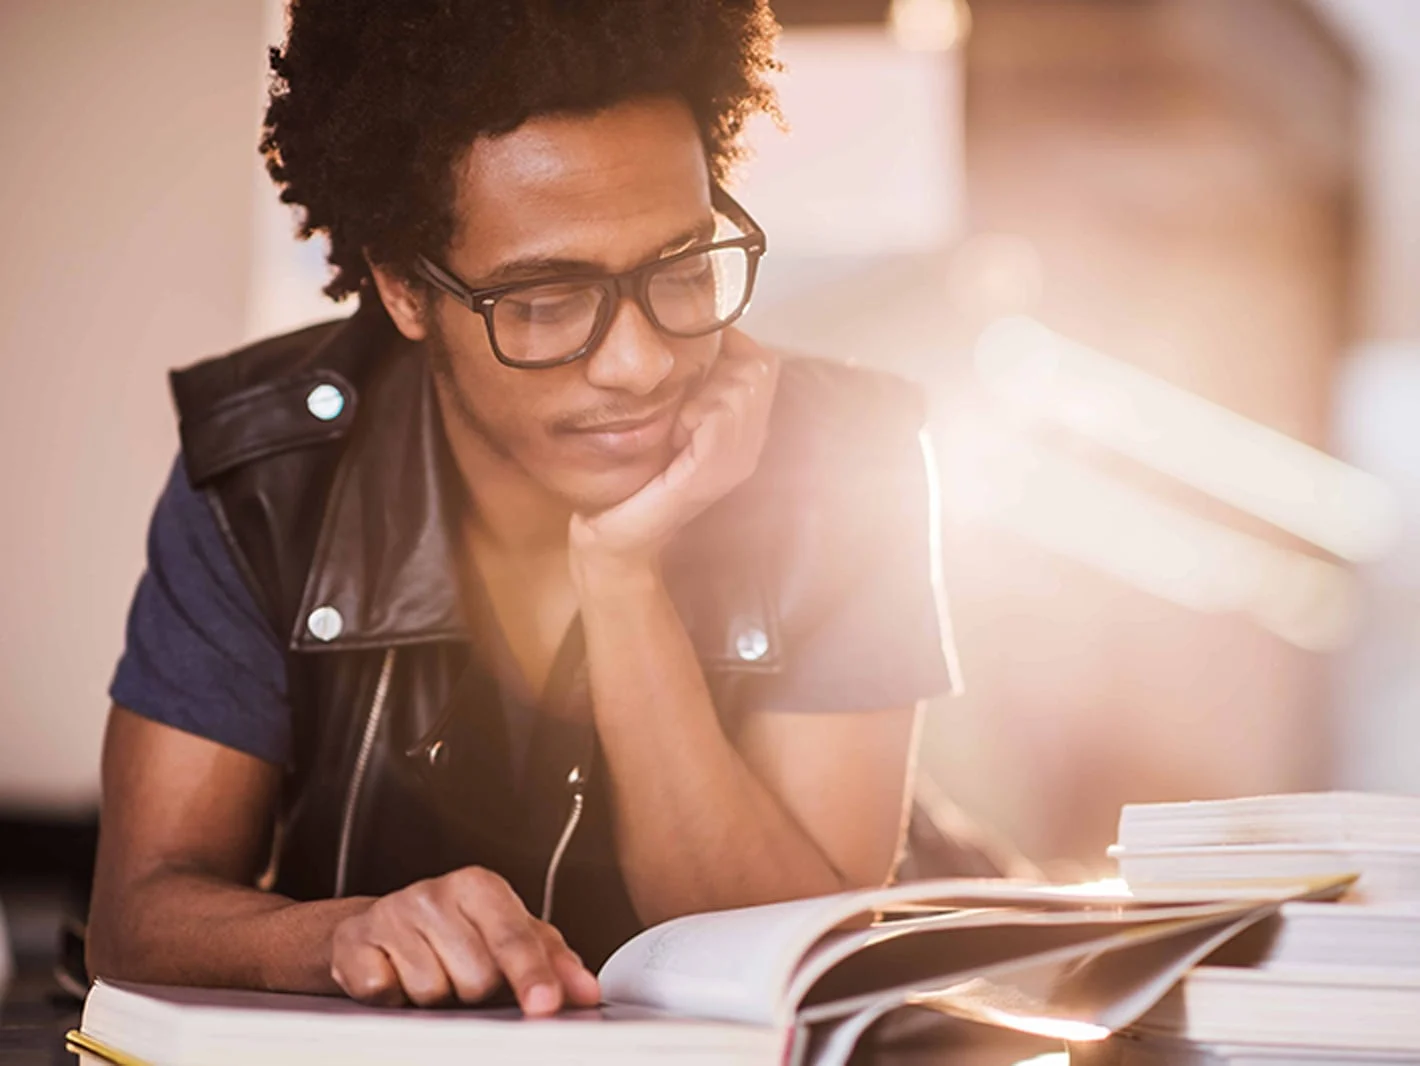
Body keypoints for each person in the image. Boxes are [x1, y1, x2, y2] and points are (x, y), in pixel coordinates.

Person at [85, 0, 958, 1017]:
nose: (641, 364)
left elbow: (782, 967)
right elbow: (136, 912)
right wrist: (336, 935)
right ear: (405, 291)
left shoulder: (847, 462)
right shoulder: (262, 480)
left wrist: (622, 575)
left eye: (679, 268)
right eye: (545, 302)